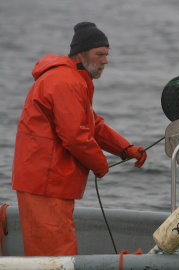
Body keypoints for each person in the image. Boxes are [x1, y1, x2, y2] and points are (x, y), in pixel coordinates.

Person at [11, 22, 147, 256]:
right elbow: (75, 136)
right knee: (55, 255)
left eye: (107, 54)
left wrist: (126, 148)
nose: (106, 60)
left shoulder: (71, 78)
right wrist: (100, 164)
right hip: (45, 183)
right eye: (100, 54)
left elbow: (92, 124)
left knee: (54, 252)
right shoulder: (66, 81)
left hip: (48, 181)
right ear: (81, 54)